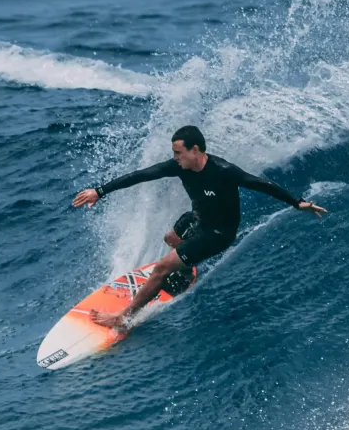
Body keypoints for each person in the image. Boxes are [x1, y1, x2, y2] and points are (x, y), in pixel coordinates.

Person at [72, 125, 327, 329]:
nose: (175, 159)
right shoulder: (180, 167)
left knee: (161, 268)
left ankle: (122, 318)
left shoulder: (223, 171)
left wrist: (298, 203)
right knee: (171, 238)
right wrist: (100, 191)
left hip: (218, 233)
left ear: (195, 150)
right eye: (173, 154)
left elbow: (261, 184)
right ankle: (184, 271)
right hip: (198, 217)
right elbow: (142, 175)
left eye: (178, 153)